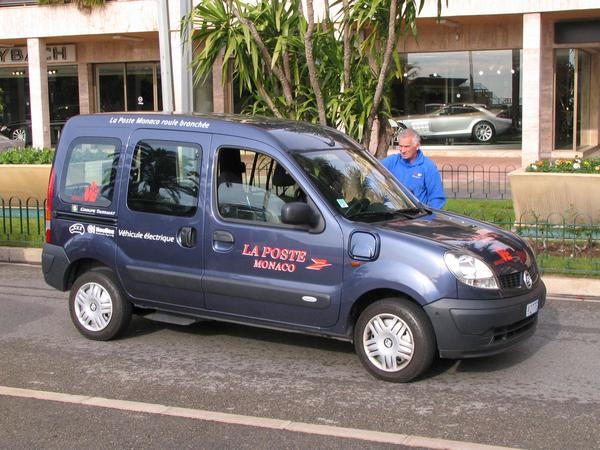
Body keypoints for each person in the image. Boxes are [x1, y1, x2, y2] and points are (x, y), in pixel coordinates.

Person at [381, 128, 446, 209]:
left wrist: (427, 219)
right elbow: (371, 172)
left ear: (417, 146)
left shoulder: (428, 167)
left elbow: (437, 198)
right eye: (400, 146)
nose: (402, 150)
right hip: (390, 214)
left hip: (415, 216)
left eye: (407, 147)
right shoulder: (392, 161)